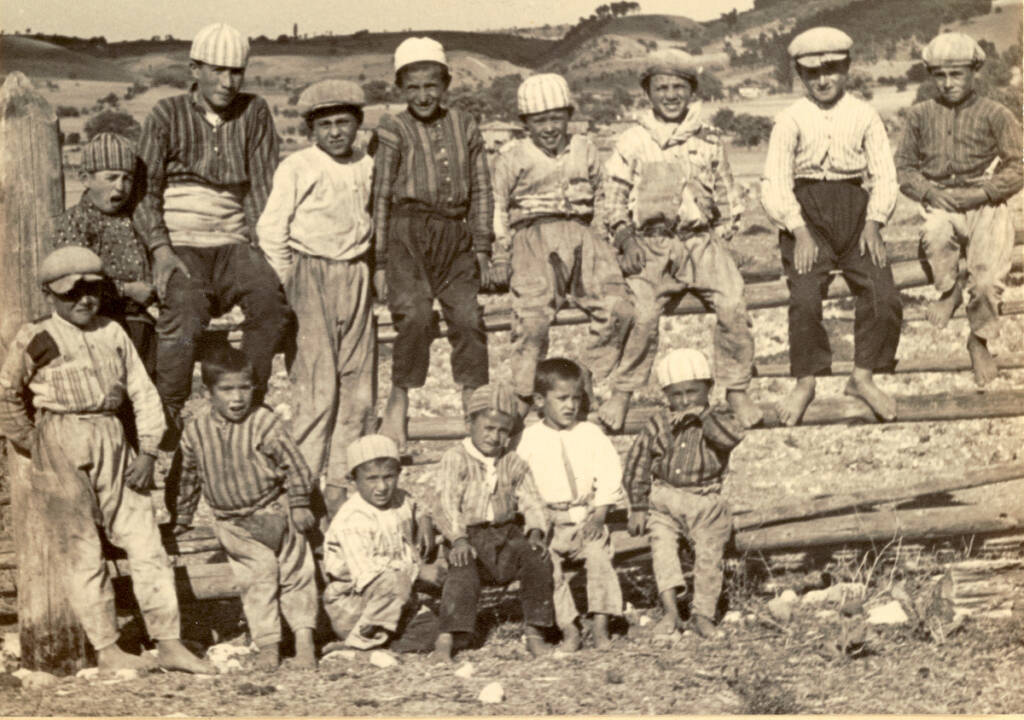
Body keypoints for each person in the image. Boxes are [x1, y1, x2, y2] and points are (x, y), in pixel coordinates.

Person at [0, 247, 210, 674]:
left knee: (146, 541)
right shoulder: (36, 337)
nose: (83, 300)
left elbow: (142, 392)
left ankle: (168, 641)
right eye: (71, 292)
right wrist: (32, 442)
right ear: (49, 295)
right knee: (81, 549)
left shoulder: (113, 333)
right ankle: (108, 648)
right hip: (59, 438)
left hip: (113, 437)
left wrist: (149, 450)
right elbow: (7, 393)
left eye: (92, 290)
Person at [134, 22, 290, 448]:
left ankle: (250, 397)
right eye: (217, 70)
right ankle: (171, 406)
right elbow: (144, 190)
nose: (227, 81)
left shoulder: (254, 111)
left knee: (270, 303)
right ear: (194, 69)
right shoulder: (166, 114)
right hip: (180, 239)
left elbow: (262, 187)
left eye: (236, 71)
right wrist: (161, 250)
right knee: (183, 312)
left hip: (234, 239)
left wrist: (266, 252)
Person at [602, 49, 761, 432]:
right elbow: (613, 198)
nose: (670, 95)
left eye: (679, 87)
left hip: (700, 242)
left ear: (691, 91)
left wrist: (723, 240)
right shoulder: (634, 140)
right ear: (648, 92)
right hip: (651, 245)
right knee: (642, 314)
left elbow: (726, 193)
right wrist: (625, 239)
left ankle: (736, 387)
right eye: (662, 88)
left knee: (734, 304)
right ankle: (623, 391)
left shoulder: (708, 139)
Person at [761, 27, 902, 425]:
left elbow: (885, 175)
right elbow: (774, 180)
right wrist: (798, 229)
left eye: (832, 70)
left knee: (883, 295)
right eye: (812, 73)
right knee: (805, 297)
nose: (823, 80)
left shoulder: (864, 115)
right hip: (807, 216)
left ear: (847, 69)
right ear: (799, 75)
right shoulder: (789, 119)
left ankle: (863, 375)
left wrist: (874, 222)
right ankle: (806, 379)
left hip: (856, 213)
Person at [373, 37, 502, 451]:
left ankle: (474, 400)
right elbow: (379, 197)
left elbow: (481, 187)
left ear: (446, 84)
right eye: (413, 87)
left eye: (431, 86)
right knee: (413, 316)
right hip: (407, 234)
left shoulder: (464, 124)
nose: (423, 95)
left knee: (467, 317)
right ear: (401, 89)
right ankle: (400, 396)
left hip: (454, 235)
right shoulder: (393, 129)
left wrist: (481, 247)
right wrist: (378, 261)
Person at [257, 80, 376, 518]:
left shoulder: (368, 163)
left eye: (343, 122)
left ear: (358, 124)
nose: (335, 132)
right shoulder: (298, 166)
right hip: (310, 272)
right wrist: (292, 279)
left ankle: (344, 487)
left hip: (356, 273)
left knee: (358, 390)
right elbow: (272, 229)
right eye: (324, 124)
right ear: (311, 129)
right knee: (316, 389)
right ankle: (300, 489)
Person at [492, 74, 633, 417]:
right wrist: (500, 252)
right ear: (525, 123)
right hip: (533, 238)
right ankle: (526, 395)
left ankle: (585, 374)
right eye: (540, 120)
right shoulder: (512, 156)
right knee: (533, 318)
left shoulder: (584, 148)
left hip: (583, 237)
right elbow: (496, 205)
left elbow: (602, 195)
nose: (550, 127)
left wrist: (614, 241)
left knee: (619, 308)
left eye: (557, 118)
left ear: (569, 117)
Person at [173, 347, 318, 671]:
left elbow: (295, 466)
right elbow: (188, 476)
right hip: (233, 523)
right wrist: (182, 516)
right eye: (227, 389)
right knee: (258, 576)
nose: (237, 398)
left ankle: (305, 643)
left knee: (298, 574)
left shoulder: (264, 423)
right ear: (208, 392)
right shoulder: (196, 430)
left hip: (274, 510)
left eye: (244, 387)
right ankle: (268, 644)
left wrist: (298, 503)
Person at [894, 32, 1023, 386]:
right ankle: (949, 291)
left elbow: (1019, 165)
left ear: (974, 72)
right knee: (935, 234)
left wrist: (982, 193)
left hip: (985, 201)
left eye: (957, 74)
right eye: (939, 75)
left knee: (985, 279)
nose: (948, 83)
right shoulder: (920, 115)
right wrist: (929, 193)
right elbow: (903, 168)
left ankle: (978, 338)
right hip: (942, 200)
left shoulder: (996, 114)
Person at [623, 348, 743, 640]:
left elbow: (729, 438)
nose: (685, 400)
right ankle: (671, 613)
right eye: (676, 395)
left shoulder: (720, 416)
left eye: (693, 392)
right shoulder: (659, 423)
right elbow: (637, 463)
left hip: (706, 501)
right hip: (665, 499)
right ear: (666, 394)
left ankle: (703, 615)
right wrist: (638, 506)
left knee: (708, 556)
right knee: (663, 550)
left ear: (709, 388)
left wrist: (702, 418)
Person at [431, 383, 556, 661]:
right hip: (470, 536)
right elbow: (445, 502)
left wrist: (535, 530)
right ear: (469, 424)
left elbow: (532, 499)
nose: (494, 436)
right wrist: (458, 538)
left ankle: (536, 632)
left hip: (506, 534)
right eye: (488, 428)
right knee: (461, 570)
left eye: (502, 431)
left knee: (537, 560)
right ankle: (446, 638)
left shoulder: (512, 461)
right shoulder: (456, 459)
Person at [514, 358, 626, 651]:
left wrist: (600, 514)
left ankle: (601, 625)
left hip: (586, 515)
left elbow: (609, 472)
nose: (570, 406)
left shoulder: (590, 434)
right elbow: (522, 485)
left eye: (576, 398)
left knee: (599, 556)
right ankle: (569, 627)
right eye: (562, 398)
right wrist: (536, 524)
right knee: (546, 564)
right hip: (548, 519)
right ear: (539, 400)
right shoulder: (530, 439)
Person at [322, 435, 441, 653]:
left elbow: (416, 504)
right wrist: (419, 571)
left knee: (434, 631)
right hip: (355, 604)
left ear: (398, 475)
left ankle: (385, 645)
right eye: (371, 479)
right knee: (394, 582)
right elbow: (368, 573)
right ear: (354, 480)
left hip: (396, 602)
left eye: (389, 477)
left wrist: (424, 519)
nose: (382, 487)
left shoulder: (399, 498)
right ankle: (357, 644)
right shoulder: (353, 519)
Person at [56, 132, 156, 376]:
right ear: (85, 179)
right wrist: (128, 290)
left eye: (127, 178)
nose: (120, 187)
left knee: (147, 385)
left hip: (142, 322)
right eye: (111, 177)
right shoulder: (77, 221)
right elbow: (73, 279)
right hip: (99, 323)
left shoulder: (136, 218)